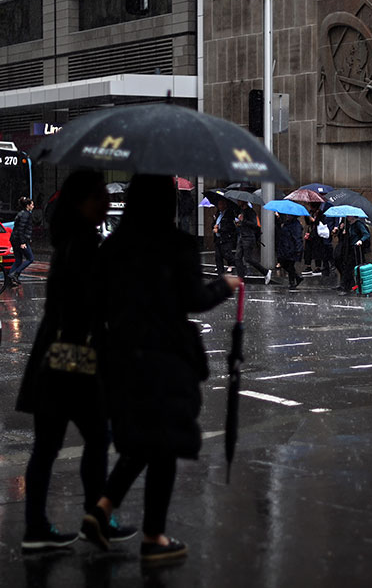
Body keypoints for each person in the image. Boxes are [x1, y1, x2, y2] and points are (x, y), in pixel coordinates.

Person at [90, 175, 239, 562]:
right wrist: (223, 285)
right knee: (165, 442)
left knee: (142, 438)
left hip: (121, 355)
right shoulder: (176, 245)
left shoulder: (113, 247)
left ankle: (104, 506)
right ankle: (153, 535)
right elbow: (194, 298)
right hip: (164, 357)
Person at [16, 172, 136, 552]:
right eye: (100, 194)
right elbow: (95, 303)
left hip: (57, 359)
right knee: (96, 439)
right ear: (83, 201)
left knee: (52, 445)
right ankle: (92, 517)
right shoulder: (82, 245)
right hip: (73, 362)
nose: (106, 201)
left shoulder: (71, 240)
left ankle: (46, 523)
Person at [234, 199, 271, 284]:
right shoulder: (241, 211)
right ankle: (240, 279)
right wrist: (239, 223)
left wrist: (243, 220)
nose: (238, 202)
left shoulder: (251, 212)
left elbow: (254, 224)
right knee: (237, 257)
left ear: (244, 201)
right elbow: (244, 224)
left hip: (248, 237)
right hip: (242, 237)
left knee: (248, 258)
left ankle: (266, 272)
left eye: (239, 201)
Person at [338, 214, 370, 292]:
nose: (347, 217)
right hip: (350, 249)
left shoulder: (358, 224)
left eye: (349, 216)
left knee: (352, 267)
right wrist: (341, 229)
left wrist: (360, 241)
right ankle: (349, 285)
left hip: (356, 249)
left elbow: (366, 234)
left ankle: (348, 285)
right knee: (348, 267)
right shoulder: (348, 225)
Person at [9, 196, 35, 285]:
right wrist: (23, 242)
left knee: (18, 260)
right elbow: (21, 229)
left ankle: (10, 279)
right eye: (32, 204)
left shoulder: (21, 213)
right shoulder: (26, 214)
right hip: (19, 240)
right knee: (30, 258)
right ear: (28, 205)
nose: (33, 206)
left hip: (15, 239)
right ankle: (15, 274)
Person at [276, 213, 304, 289]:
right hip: (285, 247)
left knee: (290, 265)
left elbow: (297, 238)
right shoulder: (287, 223)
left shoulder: (296, 225)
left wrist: (298, 249)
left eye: (289, 215)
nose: (288, 216)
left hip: (291, 248)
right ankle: (296, 279)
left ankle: (292, 282)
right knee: (286, 264)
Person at [212, 197, 238, 277]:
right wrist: (214, 226)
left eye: (220, 204)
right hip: (218, 239)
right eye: (218, 204)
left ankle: (239, 265)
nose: (219, 206)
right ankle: (220, 276)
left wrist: (219, 229)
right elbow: (213, 224)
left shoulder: (229, 214)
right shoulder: (218, 214)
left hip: (226, 239)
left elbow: (229, 227)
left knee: (227, 255)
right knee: (218, 257)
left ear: (224, 205)